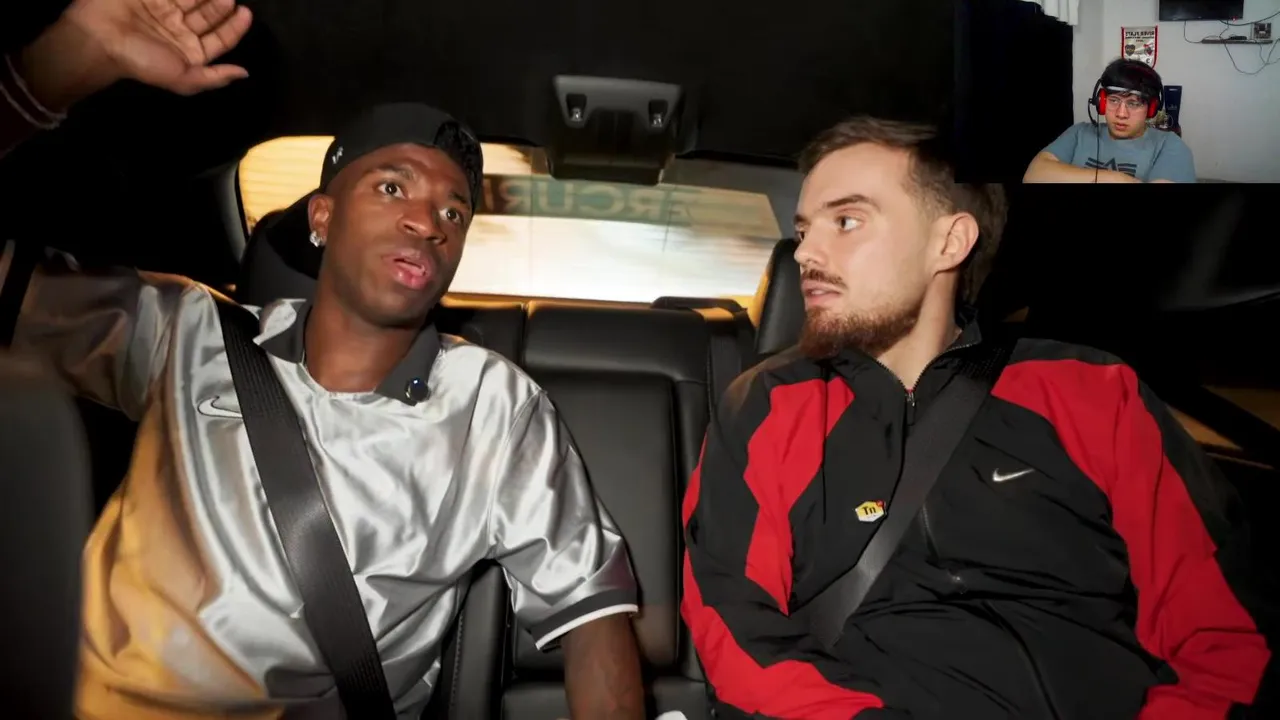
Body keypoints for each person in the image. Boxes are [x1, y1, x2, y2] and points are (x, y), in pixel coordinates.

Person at [0, 1, 646, 718]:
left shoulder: (491, 403)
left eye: (454, 212)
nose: (427, 222)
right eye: (392, 187)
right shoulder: (182, 331)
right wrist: (55, 67)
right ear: (322, 216)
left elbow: (592, 614)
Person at [682, 116, 1271, 718]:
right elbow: (732, 621)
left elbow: (1223, 632)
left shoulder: (1093, 392)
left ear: (950, 242)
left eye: (847, 221)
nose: (806, 252)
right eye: (804, 229)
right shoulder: (767, 405)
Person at [1023, 59, 1196, 184]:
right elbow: (1033, 175)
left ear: (1151, 109)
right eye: (1114, 100)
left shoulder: (1169, 145)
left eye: (1133, 103)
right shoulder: (1079, 133)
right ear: (1101, 102)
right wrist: (1113, 178)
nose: (1121, 114)